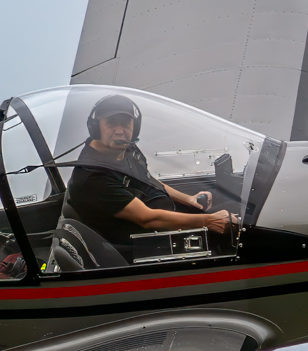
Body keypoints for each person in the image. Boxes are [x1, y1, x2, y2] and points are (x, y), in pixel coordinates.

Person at [65, 94, 233, 258]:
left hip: (164, 219)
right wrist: (210, 221)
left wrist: (188, 199)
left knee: (234, 206)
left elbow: (147, 179)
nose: (119, 131)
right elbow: (147, 219)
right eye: (111, 124)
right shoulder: (93, 177)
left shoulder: (125, 147)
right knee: (239, 226)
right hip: (150, 241)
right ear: (95, 127)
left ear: (135, 126)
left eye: (125, 124)